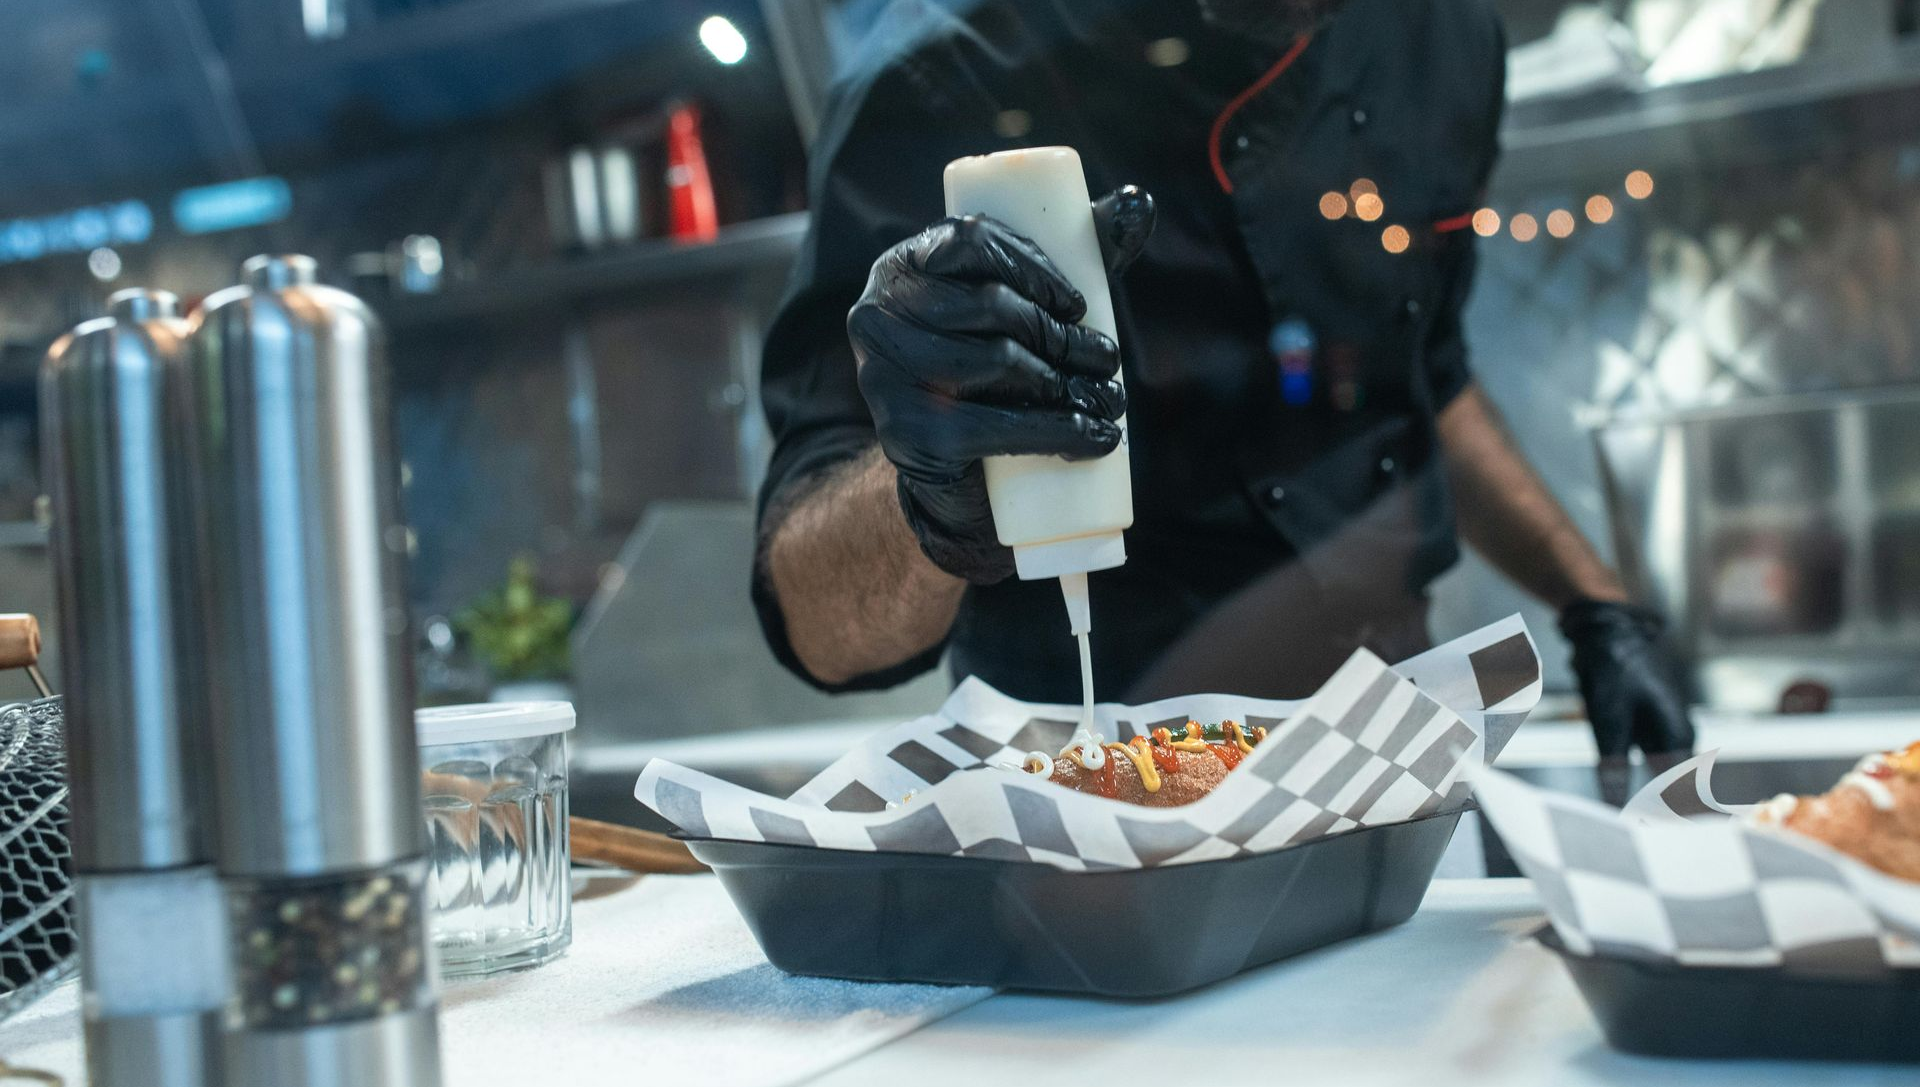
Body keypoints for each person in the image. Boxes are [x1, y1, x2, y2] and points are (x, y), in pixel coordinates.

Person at [750, 0, 1694, 771]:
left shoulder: (1442, 36)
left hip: (1402, 755)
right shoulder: (937, 80)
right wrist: (928, 495)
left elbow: (1426, 375)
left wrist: (1597, 606)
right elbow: (816, 625)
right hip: (1086, 793)